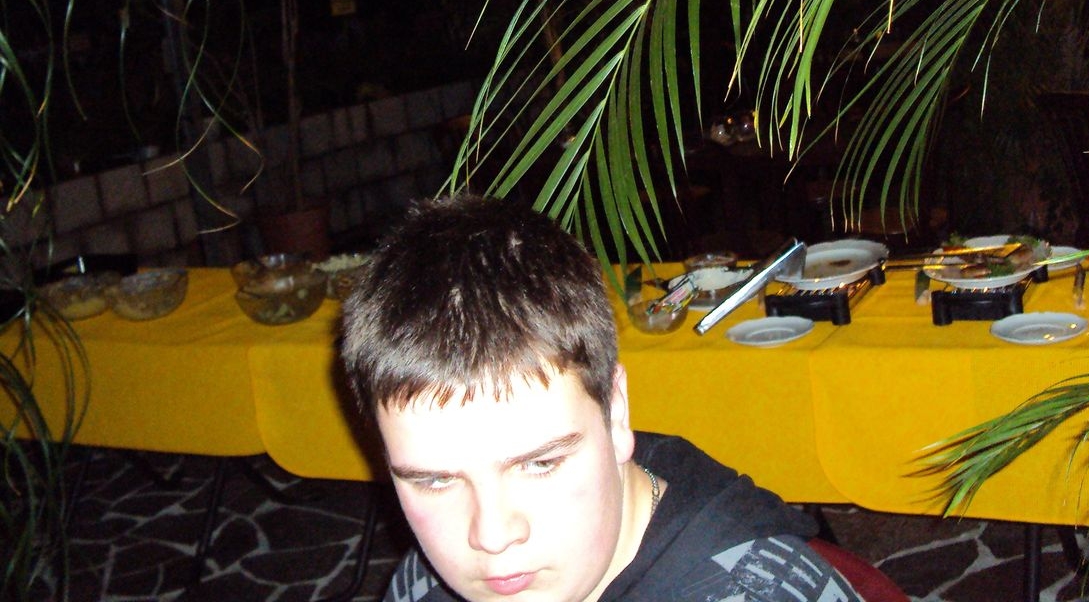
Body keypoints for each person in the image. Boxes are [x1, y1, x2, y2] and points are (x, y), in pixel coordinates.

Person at [341, 194, 865, 602]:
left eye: (540, 464)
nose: (492, 537)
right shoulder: (424, 584)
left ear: (615, 414)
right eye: (434, 481)